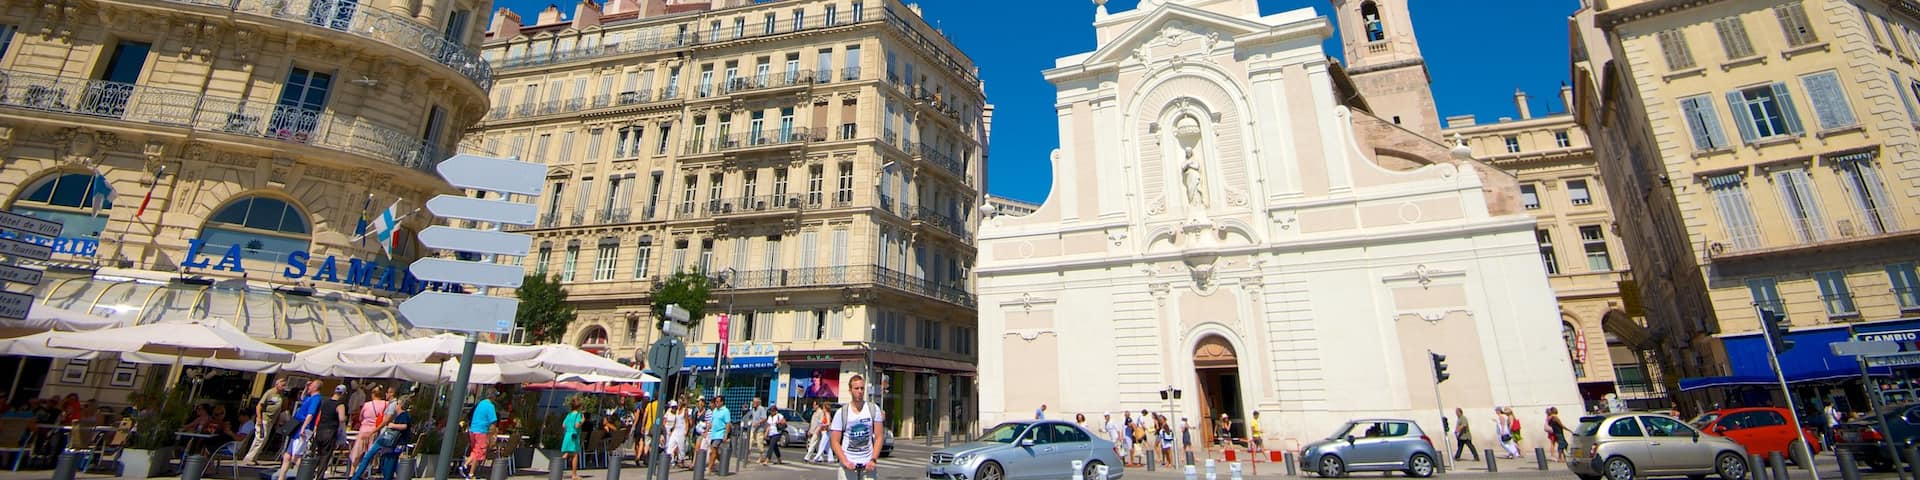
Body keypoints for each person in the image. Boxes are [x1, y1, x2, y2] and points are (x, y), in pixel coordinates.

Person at [830, 374, 884, 480]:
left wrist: (873, 460)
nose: (860, 391)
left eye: (862, 388)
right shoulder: (842, 413)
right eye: (856, 388)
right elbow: (834, 441)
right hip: (848, 466)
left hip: (867, 466)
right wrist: (845, 461)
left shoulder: (873, 409)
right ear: (850, 390)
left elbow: (879, 437)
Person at [348, 397, 412, 480]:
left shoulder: (404, 415)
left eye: (397, 404)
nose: (395, 406)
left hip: (393, 443)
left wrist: (392, 425)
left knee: (388, 464)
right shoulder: (398, 415)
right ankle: (357, 476)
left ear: (401, 405)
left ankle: (357, 476)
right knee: (385, 462)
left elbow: (405, 426)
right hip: (389, 441)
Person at [274, 381, 323, 480]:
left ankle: (307, 475)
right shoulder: (310, 397)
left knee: (296, 457)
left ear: (315, 387)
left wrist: (304, 427)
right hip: (297, 427)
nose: (309, 388)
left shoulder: (316, 399)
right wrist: (306, 387)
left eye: (311, 386)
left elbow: (310, 414)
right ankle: (281, 478)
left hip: (304, 428)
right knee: (287, 456)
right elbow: (302, 398)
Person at [349, 385, 390, 471]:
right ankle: (365, 472)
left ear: (373, 394)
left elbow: (360, 418)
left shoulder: (367, 404)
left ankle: (352, 472)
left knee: (357, 452)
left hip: (364, 430)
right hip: (376, 430)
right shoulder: (386, 404)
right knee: (370, 453)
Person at [309, 385, 348, 474]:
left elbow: (320, 415)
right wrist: (346, 418)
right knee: (325, 456)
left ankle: (310, 474)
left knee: (317, 454)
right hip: (330, 431)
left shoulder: (325, 402)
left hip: (320, 430)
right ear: (342, 394)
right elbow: (341, 419)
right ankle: (319, 476)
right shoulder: (340, 404)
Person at [461, 388, 499, 479]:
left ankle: (464, 465)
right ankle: (470, 474)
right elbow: (493, 422)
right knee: (479, 453)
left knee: (475, 451)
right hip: (481, 431)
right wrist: (492, 435)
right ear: (493, 396)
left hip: (473, 430)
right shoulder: (490, 406)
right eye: (496, 396)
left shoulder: (480, 403)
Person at [250, 378, 288, 464]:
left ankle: (254, 457)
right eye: (282, 385)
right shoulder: (269, 393)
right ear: (277, 384)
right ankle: (250, 458)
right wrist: (259, 417)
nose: (284, 387)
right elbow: (259, 405)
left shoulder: (280, 395)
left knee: (264, 440)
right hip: (264, 418)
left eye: (285, 385)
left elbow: (280, 409)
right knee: (260, 438)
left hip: (271, 420)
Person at [706, 395, 732, 475]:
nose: (716, 403)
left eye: (717, 402)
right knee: (715, 452)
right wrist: (706, 430)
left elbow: (728, 423)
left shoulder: (725, 411)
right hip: (713, 434)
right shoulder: (715, 411)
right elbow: (711, 422)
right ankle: (724, 463)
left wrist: (725, 434)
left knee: (714, 449)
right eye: (715, 402)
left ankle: (710, 468)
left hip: (720, 434)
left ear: (722, 402)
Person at [562, 397, 586, 480]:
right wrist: (582, 421)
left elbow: (563, 425)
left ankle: (557, 467)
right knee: (575, 455)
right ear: (579, 406)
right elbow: (576, 425)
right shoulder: (578, 415)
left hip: (567, 435)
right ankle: (574, 474)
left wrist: (568, 429)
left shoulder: (568, 414)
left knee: (566, 453)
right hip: (574, 435)